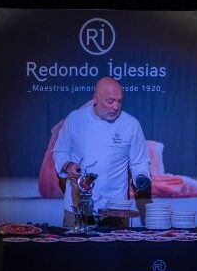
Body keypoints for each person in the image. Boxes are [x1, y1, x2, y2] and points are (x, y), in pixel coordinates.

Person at [52, 77, 152, 228]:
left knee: (116, 244)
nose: (116, 107)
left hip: (115, 209)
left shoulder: (131, 124)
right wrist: (67, 165)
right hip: (76, 207)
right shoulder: (75, 119)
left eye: (119, 101)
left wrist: (141, 177)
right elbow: (60, 151)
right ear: (95, 99)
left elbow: (139, 162)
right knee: (73, 243)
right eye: (110, 101)